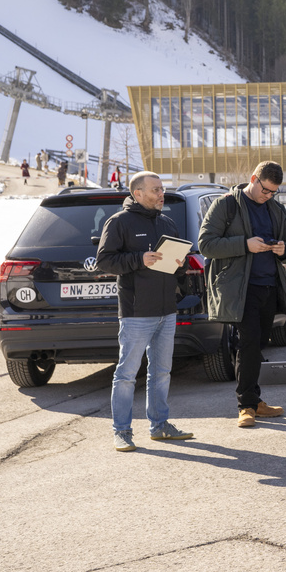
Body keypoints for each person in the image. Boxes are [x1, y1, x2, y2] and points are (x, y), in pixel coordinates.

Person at [198, 161, 286, 428]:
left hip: (270, 286)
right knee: (249, 342)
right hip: (240, 289)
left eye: (274, 192)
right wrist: (245, 245)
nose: (268, 196)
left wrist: (283, 249)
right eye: (265, 190)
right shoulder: (226, 205)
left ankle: (255, 401)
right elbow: (206, 244)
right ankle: (246, 405)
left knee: (259, 343)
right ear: (254, 179)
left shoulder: (276, 208)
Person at [96, 171, 193, 451]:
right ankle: (122, 431)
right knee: (126, 375)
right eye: (155, 190)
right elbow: (104, 260)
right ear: (137, 193)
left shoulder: (167, 223)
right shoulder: (119, 222)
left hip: (167, 310)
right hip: (137, 312)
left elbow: (177, 267)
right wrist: (140, 259)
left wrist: (180, 263)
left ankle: (160, 426)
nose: (161, 194)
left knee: (161, 372)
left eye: (162, 189)